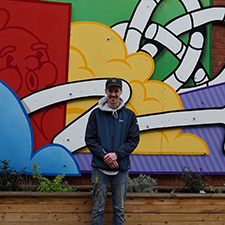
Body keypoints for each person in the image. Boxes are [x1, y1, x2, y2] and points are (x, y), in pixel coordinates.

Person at [85, 77, 140, 225]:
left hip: (121, 170)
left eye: (116, 91)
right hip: (99, 169)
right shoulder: (95, 115)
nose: (113, 94)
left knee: (119, 209)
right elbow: (90, 139)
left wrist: (116, 155)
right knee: (98, 209)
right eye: (111, 91)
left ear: (121, 92)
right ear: (106, 91)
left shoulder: (129, 116)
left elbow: (133, 140)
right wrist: (105, 157)